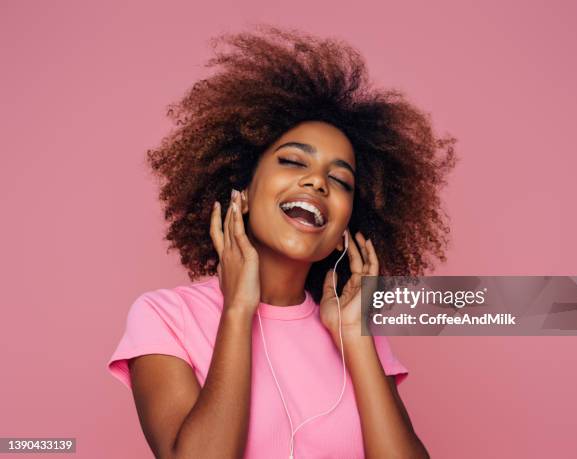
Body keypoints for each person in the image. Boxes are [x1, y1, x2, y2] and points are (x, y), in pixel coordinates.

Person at [107, 25, 456, 458]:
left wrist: (355, 337)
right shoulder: (165, 317)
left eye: (340, 180)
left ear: (344, 228)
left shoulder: (357, 329)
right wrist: (237, 309)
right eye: (293, 161)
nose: (317, 181)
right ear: (244, 192)